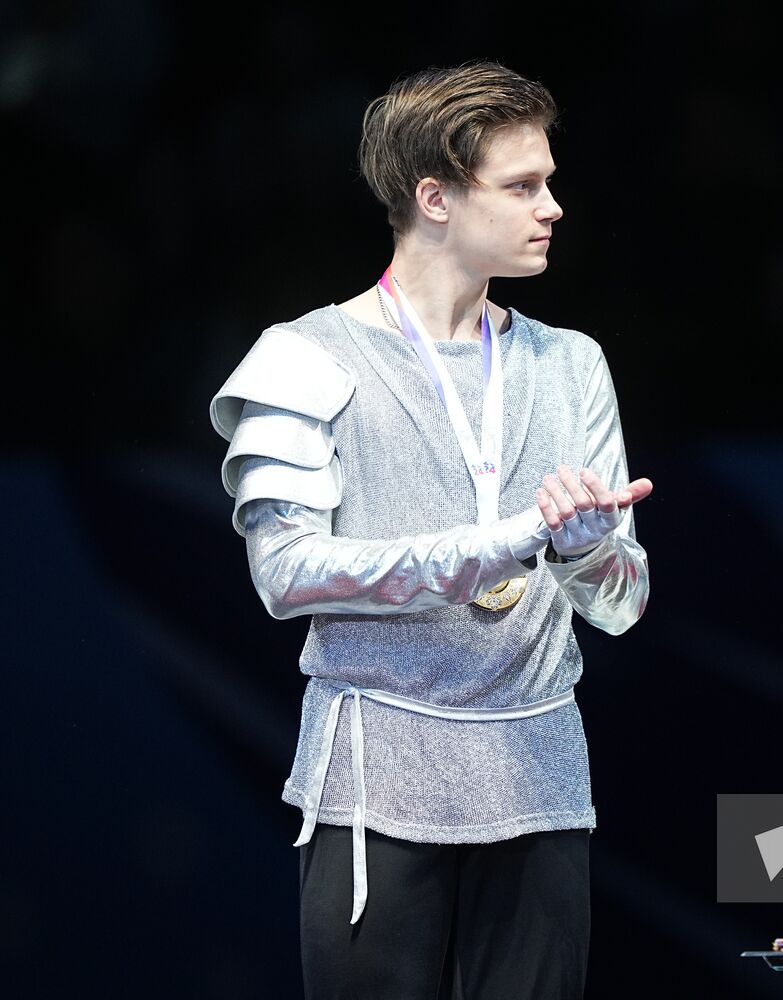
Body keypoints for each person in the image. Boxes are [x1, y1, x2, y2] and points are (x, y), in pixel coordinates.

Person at [208, 60, 651, 999]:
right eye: (523, 186)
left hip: (538, 777)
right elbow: (285, 575)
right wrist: (495, 541)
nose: (553, 207)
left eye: (550, 182)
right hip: (378, 788)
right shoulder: (304, 358)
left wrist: (579, 549)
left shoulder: (571, 365)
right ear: (435, 197)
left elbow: (620, 605)